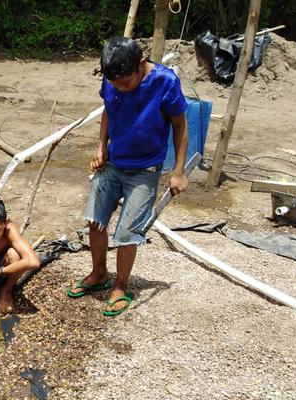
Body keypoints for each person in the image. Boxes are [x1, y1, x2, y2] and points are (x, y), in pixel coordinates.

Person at [67, 37, 189, 316]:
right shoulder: (112, 80)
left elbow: (180, 127)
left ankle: (120, 285)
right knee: (96, 220)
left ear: (142, 65)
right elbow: (108, 111)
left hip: (144, 171)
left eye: (125, 83)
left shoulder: (164, 82)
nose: (120, 88)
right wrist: (101, 147)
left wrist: (178, 171)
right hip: (112, 164)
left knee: (128, 233)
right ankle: (98, 273)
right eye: (115, 84)